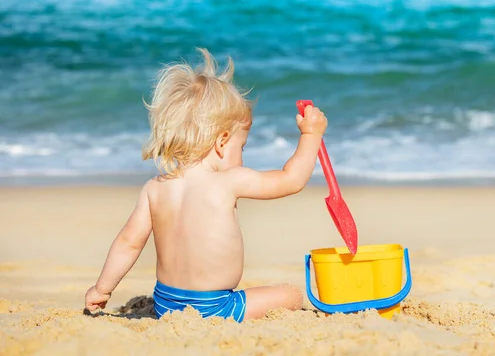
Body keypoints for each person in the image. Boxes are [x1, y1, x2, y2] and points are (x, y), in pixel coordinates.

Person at [84, 48, 327, 322]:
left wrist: (102, 288)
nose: (242, 156)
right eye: (242, 147)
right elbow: (290, 180)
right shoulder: (229, 181)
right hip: (216, 308)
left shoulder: (155, 188)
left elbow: (129, 243)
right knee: (289, 295)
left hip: (165, 304)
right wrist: (311, 134)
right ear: (222, 142)